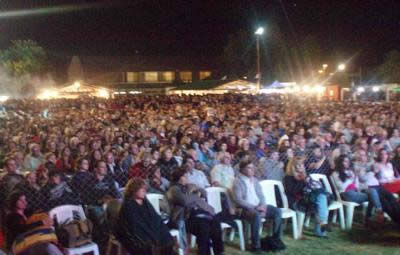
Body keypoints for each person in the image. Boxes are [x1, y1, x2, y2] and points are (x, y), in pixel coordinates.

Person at [167, 168, 224, 255]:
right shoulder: (174, 189)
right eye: (185, 176)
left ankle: (218, 251)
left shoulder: (187, 186)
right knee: (204, 227)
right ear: (179, 178)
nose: (187, 178)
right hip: (182, 218)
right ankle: (204, 252)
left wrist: (197, 187)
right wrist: (193, 195)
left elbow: (204, 194)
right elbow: (184, 202)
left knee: (215, 221)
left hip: (193, 215)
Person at [116, 178, 177, 255]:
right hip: (138, 235)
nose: (144, 190)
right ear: (133, 190)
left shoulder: (145, 202)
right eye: (141, 188)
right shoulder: (128, 206)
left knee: (166, 237)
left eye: (145, 188)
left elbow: (155, 217)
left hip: (151, 229)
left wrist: (158, 228)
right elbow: (134, 226)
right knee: (149, 244)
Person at [232, 160, 283, 252]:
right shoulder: (237, 181)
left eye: (253, 167)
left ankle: (276, 240)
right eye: (249, 168)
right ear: (242, 169)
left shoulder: (255, 180)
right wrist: (254, 207)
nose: (252, 170)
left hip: (259, 206)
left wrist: (263, 205)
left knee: (277, 211)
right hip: (245, 209)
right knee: (256, 215)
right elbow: (238, 200)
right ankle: (256, 246)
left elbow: (261, 195)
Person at [284, 157, 330, 238]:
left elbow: (313, 187)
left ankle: (322, 227)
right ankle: (321, 231)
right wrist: (302, 180)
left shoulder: (306, 175)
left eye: (302, 165)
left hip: (307, 199)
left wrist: (305, 178)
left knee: (320, 199)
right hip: (296, 201)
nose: (301, 167)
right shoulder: (289, 177)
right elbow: (292, 191)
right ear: (293, 167)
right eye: (298, 165)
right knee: (321, 203)